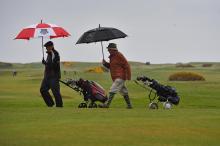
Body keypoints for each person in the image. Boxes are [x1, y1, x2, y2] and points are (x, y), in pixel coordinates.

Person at [100, 43, 132, 109]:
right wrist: (105, 63)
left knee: (112, 89)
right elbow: (111, 66)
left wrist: (128, 76)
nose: (108, 50)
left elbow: (127, 65)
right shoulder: (112, 57)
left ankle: (107, 105)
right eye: (108, 49)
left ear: (113, 49)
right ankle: (129, 105)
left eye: (109, 49)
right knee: (123, 91)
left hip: (120, 76)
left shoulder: (119, 55)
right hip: (116, 77)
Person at [40, 41, 63, 107]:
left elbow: (55, 65)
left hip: (54, 77)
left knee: (56, 92)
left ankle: (59, 106)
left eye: (47, 47)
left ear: (52, 46)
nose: (46, 48)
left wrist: (47, 64)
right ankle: (51, 104)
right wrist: (45, 63)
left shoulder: (55, 54)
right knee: (43, 90)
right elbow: (49, 65)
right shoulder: (49, 54)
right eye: (46, 47)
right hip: (47, 77)